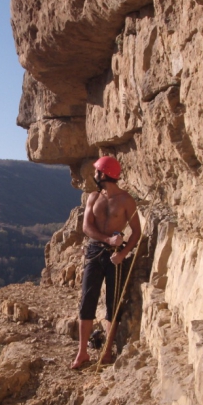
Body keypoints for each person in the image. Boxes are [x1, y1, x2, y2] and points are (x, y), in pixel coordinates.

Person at [70, 156, 141, 369]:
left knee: (113, 302)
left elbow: (137, 232)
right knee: (88, 299)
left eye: (97, 172)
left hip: (115, 255)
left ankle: (107, 352)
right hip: (95, 251)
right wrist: (107, 239)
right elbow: (86, 227)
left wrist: (123, 253)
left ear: (104, 174)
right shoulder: (93, 197)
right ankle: (82, 352)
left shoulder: (126, 200)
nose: (94, 175)